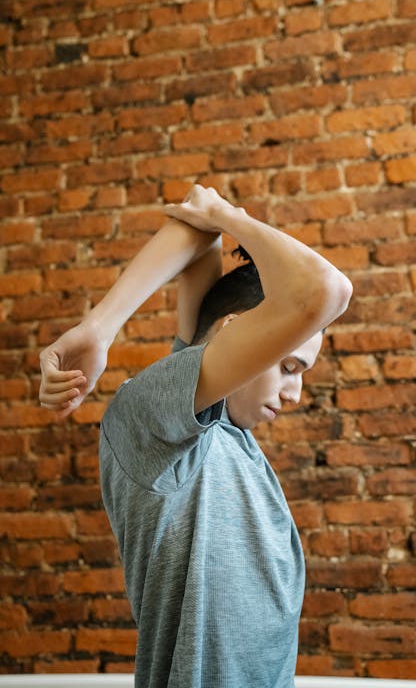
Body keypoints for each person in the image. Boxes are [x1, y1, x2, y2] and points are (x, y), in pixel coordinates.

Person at [39, 185, 352, 688]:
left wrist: (218, 215)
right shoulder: (155, 421)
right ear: (233, 331)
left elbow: (197, 225)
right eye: (290, 365)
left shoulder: (226, 434)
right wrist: (233, 217)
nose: (295, 394)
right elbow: (327, 290)